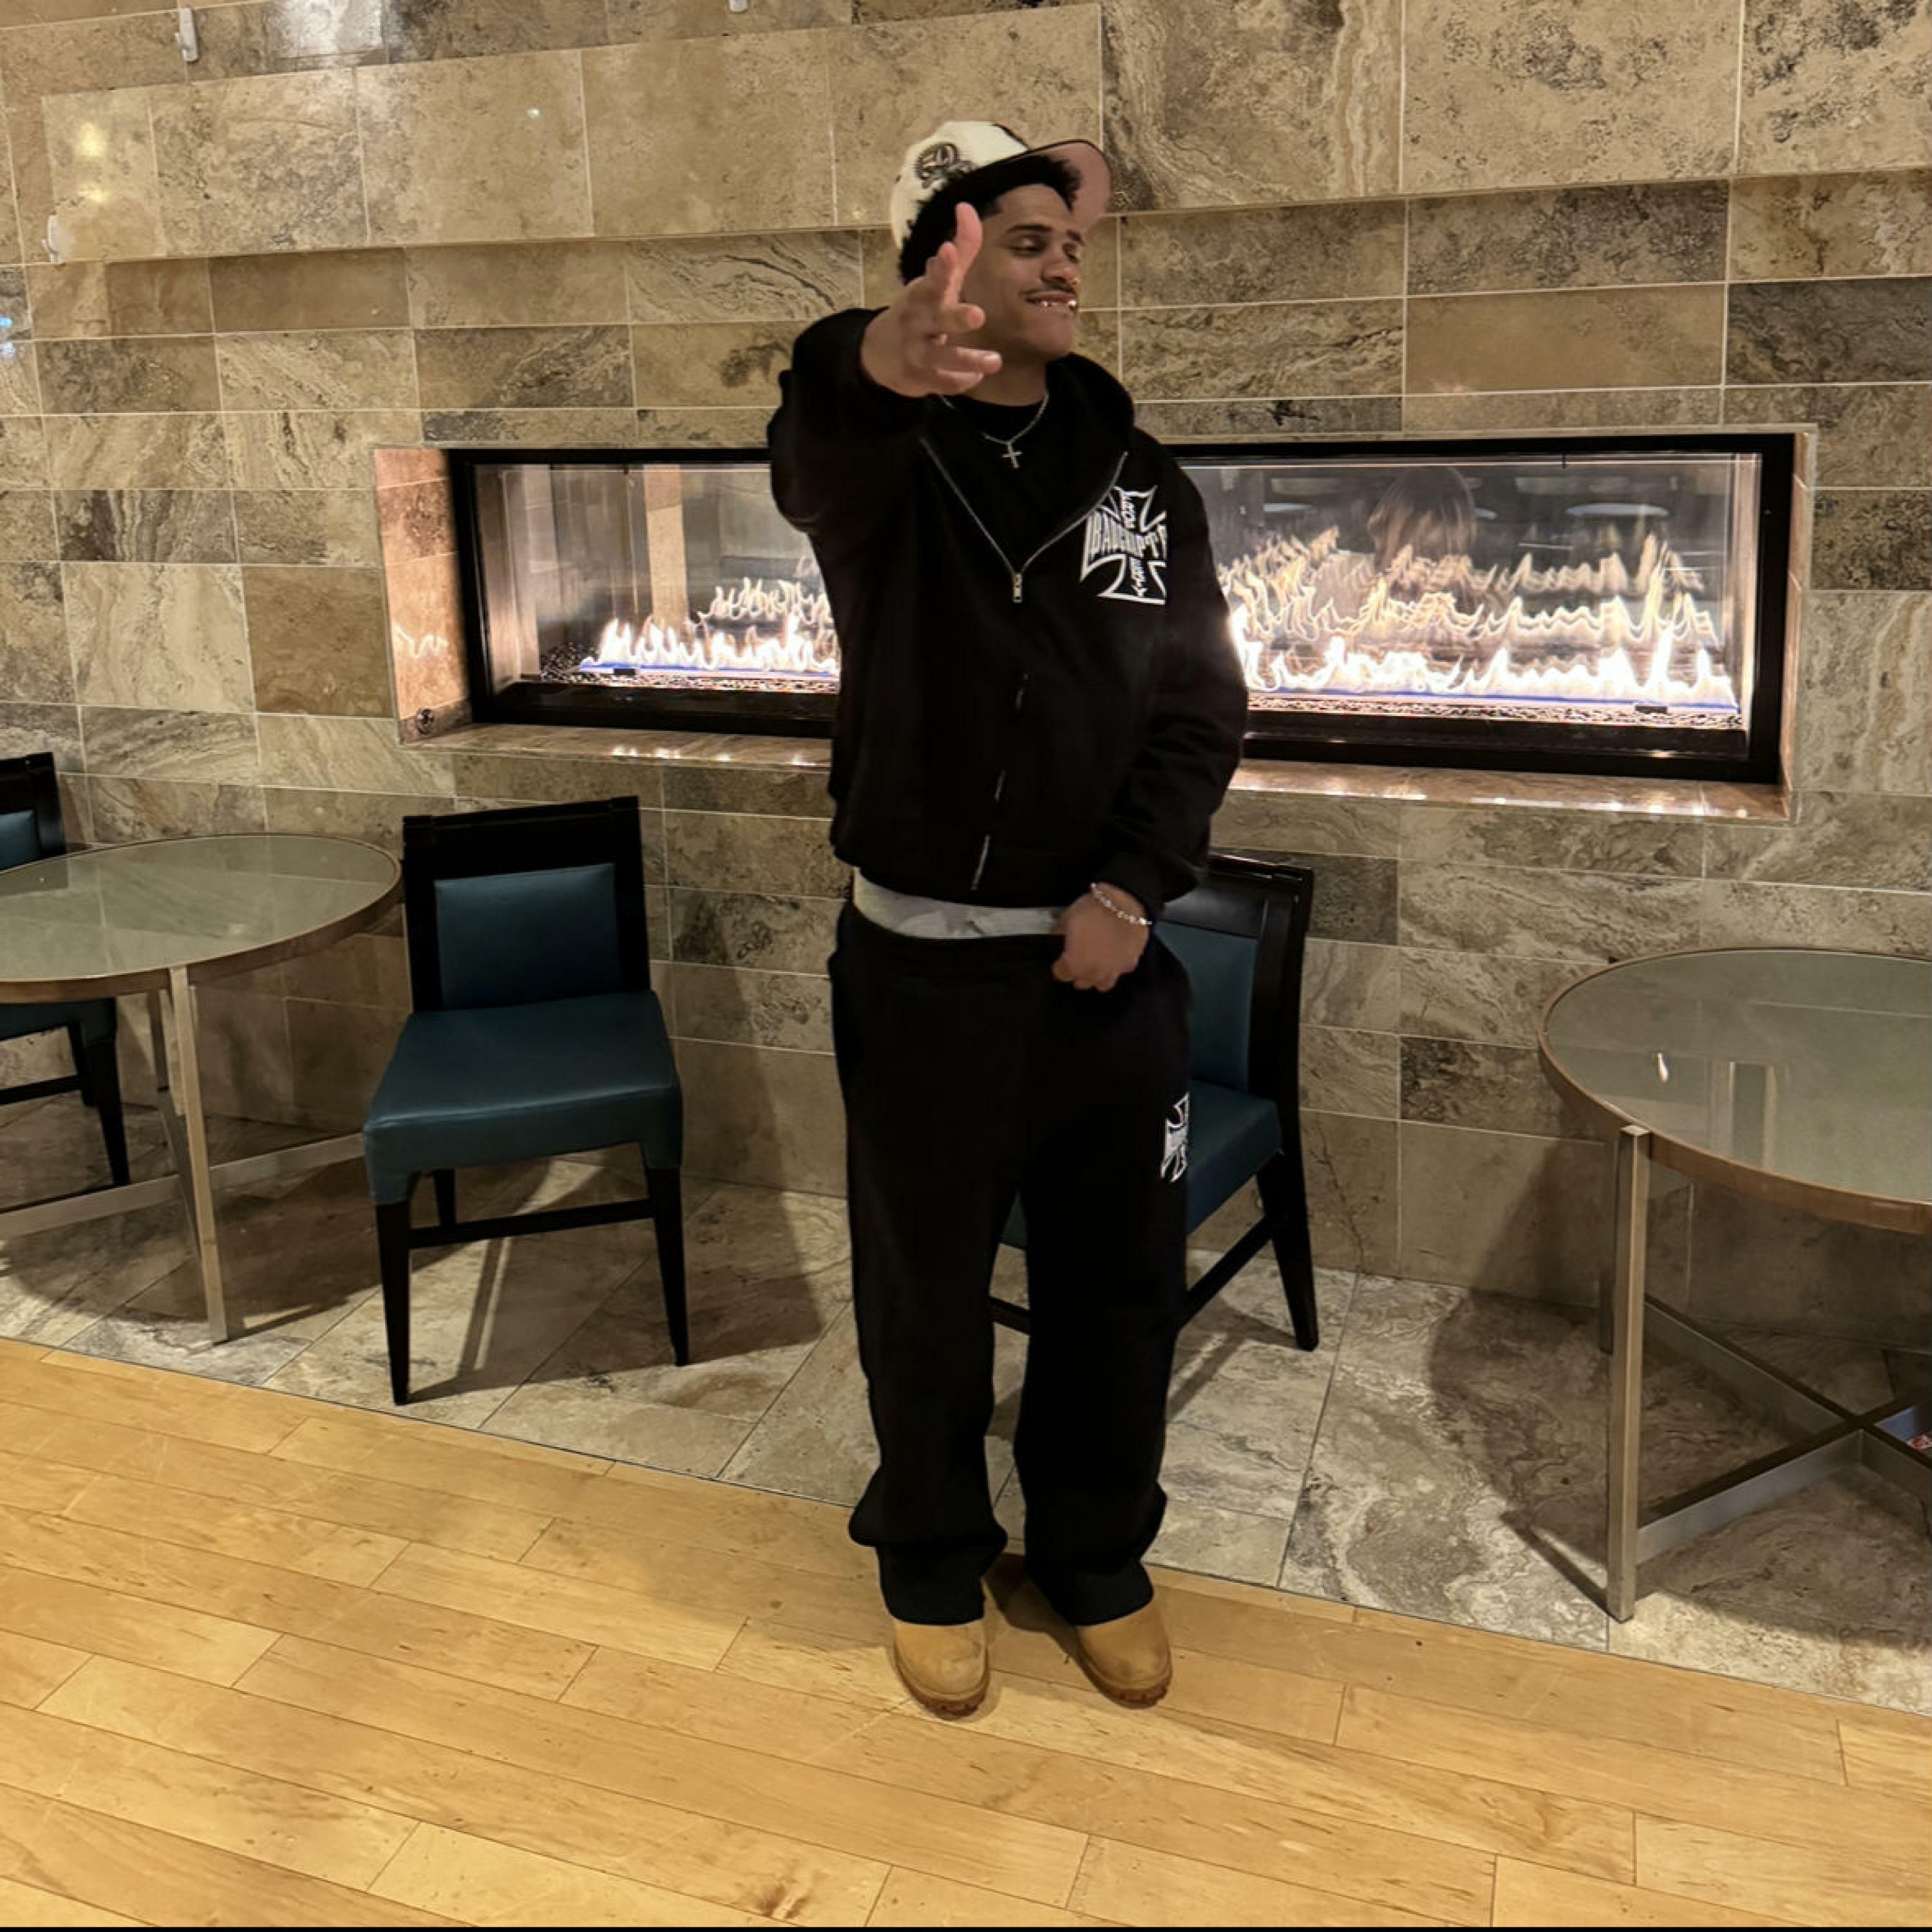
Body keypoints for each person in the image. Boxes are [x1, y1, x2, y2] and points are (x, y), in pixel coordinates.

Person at [768, 121, 1247, 1717]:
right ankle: (929, 1556)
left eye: (1070, 245)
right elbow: (813, 439)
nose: (1063, 265)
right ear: (946, 271)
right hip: (920, 974)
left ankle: (1096, 1557)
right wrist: (872, 360)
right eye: (1025, 240)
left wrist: (1128, 889)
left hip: (1109, 971)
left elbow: (1200, 710)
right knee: (922, 1290)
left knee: (1120, 1290)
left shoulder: (1142, 484)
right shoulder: (881, 469)